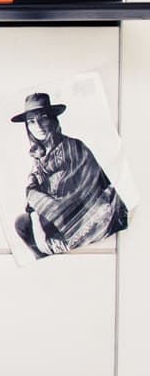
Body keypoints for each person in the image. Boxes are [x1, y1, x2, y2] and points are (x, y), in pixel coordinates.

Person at [12, 92, 129, 258]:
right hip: (56, 213)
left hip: (86, 209)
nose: (38, 126)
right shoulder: (38, 159)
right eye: (31, 121)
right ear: (27, 127)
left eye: (43, 118)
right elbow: (33, 193)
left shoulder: (74, 147)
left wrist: (54, 212)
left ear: (53, 119)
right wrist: (36, 219)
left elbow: (85, 188)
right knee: (22, 223)